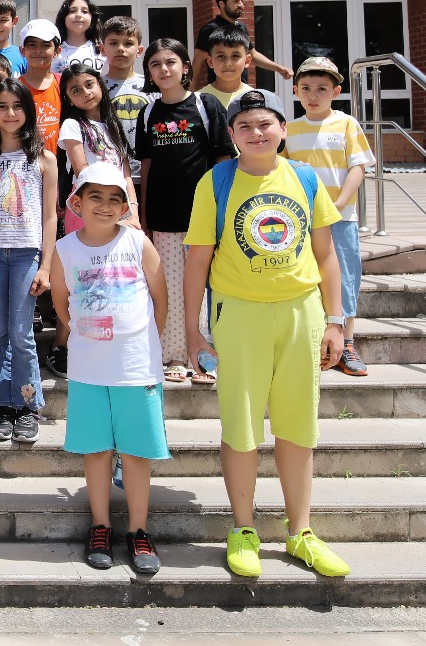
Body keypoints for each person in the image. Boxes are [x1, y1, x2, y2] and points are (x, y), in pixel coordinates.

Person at [184, 88, 350, 580]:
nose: (256, 134)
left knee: (299, 427)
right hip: (239, 314)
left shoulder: (303, 178)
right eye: (245, 126)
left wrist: (335, 320)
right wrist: (193, 332)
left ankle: (300, 532)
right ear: (232, 135)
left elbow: (325, 255)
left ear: (282, 128)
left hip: (301, 313)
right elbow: (198, 259)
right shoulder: (215, 181)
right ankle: (243, 529)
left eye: (265, 124)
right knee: (240, 426)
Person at [48, 163, 169, 576]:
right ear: (76, 202)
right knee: (97, 450)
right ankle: (100, 526)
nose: (104, 205)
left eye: (114, 198)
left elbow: (160, 301)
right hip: (88, 368)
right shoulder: (65, 249)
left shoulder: (138, 243)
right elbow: (62, 304)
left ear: (125, 205)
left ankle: (139, 531)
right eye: (95, 197)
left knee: (135, 452)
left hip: (136, 367)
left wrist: (142, 345)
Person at [135, 39, 231, 386]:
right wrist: (144, 217)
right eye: (156, 64)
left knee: (210, 289)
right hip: (164, 219)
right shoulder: (148, 112)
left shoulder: (206, 105)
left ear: (186, 66)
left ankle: (208, 356)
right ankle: (175, 353)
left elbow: (223, 159)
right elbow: (146, 166)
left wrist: (224, 209)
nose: (164, 69)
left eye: (171, 62)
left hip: (206, 218)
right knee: (173, 290)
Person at [0, 78, 57, 445]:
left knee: (22, 335)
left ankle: (28, 406)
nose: (10, 113)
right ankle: (3, 405)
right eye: (1, 106)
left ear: (28, 110)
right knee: (0, 332)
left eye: (17, 106)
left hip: (26, 255)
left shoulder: (43, 158)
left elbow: (51, 216)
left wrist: (46, 265)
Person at [285, 57, 375, 377]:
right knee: (307, 278)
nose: (313, 95)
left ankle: (346, 342)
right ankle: (312, 342)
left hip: (340, 218)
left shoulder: (347, 123)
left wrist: (338, 204)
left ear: (336, 91)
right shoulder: (289, 129)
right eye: (306, 88)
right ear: (295, 90)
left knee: (346, 279)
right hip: (301, 221)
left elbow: (358, 167)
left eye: (322, 88)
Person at [57, 63, 138, 234]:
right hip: (89, 205)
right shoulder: (72, 125)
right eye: (76, 90)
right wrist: (110, 211)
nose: (86, 93)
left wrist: (133, 212)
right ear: (68, 100)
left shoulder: (113, 126)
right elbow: (82, 172)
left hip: (117, 204)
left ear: (100, 84)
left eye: (89, 84)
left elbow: (126, 175)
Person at [196, 0, 291, 85]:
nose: (241, 5)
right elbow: (197, 61)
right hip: (218, 91)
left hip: (242, 89)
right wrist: (190, 89)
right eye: (236, 1)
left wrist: (279, 69)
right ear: (222, 4)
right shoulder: (210, 29)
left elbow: (253, 55)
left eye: (242, 1)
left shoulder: (241, 27)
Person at [100, 16, 149, 185]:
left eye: (128, 43)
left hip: (147, 173)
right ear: (102, 49)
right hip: (109, 174)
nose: (120, 49)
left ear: (139, 50)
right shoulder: (95, 88)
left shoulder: (153, 87)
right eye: (113, 43)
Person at [18, 19, 64, 153]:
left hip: (61, 161)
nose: (38, 50)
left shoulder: (65, 84)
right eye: (32, 45)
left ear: (57, 51)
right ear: (22, 50)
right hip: (25, 160)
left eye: (45, 45)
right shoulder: (15, 88)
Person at [200, 25, 254, 112]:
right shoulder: (198, 100)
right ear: (210, 62)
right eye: (221, 56)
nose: (228, 63)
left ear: (247, 61)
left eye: (235, 56)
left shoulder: (256, 99)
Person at [52, 0, 106, 74]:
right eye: (72, 11)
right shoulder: (53, 50)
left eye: (84, 11)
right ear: (64, 17)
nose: (78, 15)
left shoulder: (103, 49)